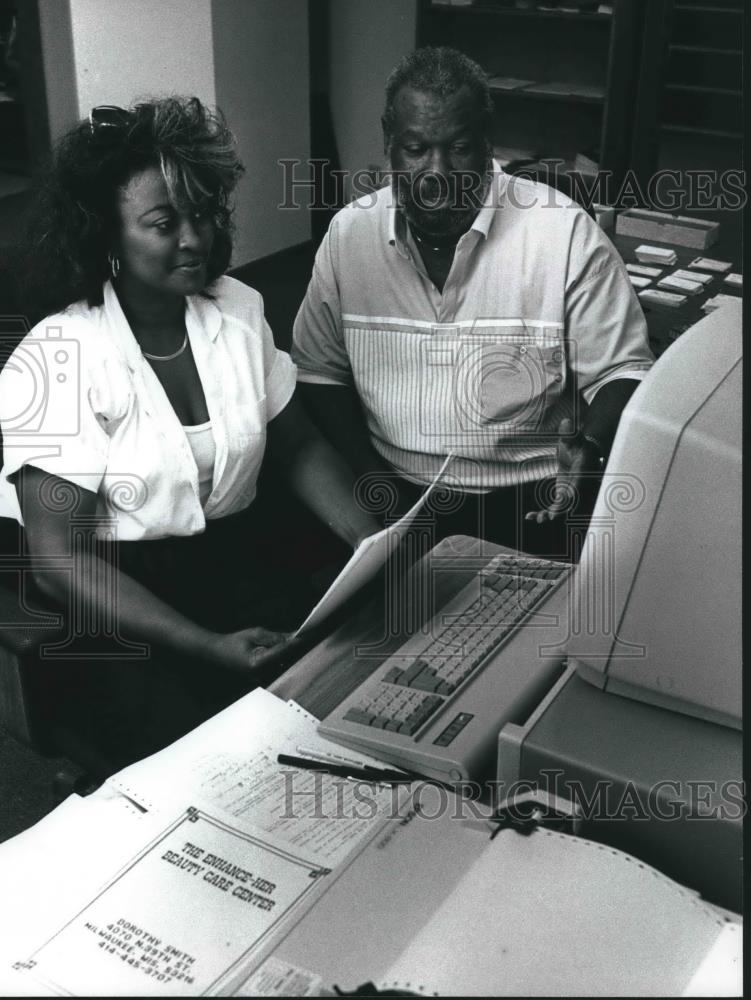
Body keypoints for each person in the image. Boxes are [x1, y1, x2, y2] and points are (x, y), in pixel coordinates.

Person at [0, 97, 379, 768]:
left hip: (235, 561)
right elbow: (58, 560)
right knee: (221, 766)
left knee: (349, 698)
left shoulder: (237, 309)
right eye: (162, 222)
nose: (193, 238)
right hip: (118, 606)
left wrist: (370, 544)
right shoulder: (57, 355)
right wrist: (204, 643)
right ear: (105, 235)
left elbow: (296, 445)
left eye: (202, 213)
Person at [291, 47, 655, 558]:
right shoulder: (349, 235)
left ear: (487, 144)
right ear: (389, 144)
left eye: (459, 147)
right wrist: (372, 478)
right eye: (415, 149)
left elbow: (626, 370)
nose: (436, 171)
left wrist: (589, 446)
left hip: (531, 498)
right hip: (395, 492)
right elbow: (318, 372)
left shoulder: (563, 234)